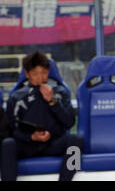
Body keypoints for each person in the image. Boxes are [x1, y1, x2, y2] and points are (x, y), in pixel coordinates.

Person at [0, 51, 84, 181]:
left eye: (44, 73)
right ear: (27, 74)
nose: (40, 78)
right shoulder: (16, 97)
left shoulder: (61, 92)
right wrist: (30, 136)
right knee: (7, 143)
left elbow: (69, 122)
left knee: (77, 141)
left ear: (49, 72)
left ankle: (66, 179)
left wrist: (52, 101)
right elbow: (11, 130)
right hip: (27, 145)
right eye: (35, 74)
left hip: (53, 144)